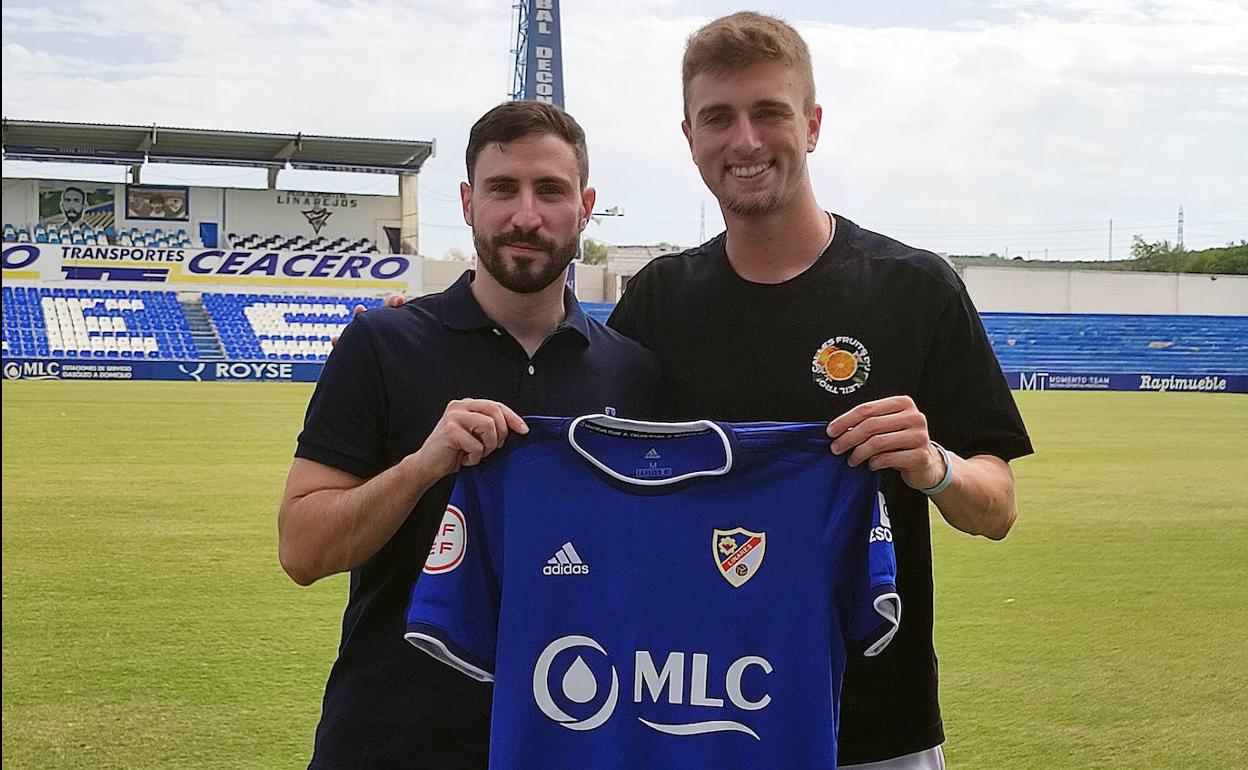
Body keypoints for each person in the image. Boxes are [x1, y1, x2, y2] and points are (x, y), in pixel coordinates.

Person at [605, 12, 1033, 769]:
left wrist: (933, 465)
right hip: (696, 711)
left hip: (874, 724)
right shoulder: (658, 302)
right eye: (718, 119)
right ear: (690, 137)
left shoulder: (915, 287)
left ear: (812, 124)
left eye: (769, 112)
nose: (744, 142)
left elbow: (995, 508)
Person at [278, 100, 658, 770]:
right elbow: (302, 550)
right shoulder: (381, 345)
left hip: (573, 739)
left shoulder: (632, 371)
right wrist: (421, 467)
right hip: (393, 742)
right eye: (502, 188)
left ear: (586, 204)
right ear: (467, 201)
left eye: (550, 190)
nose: (526, 216)